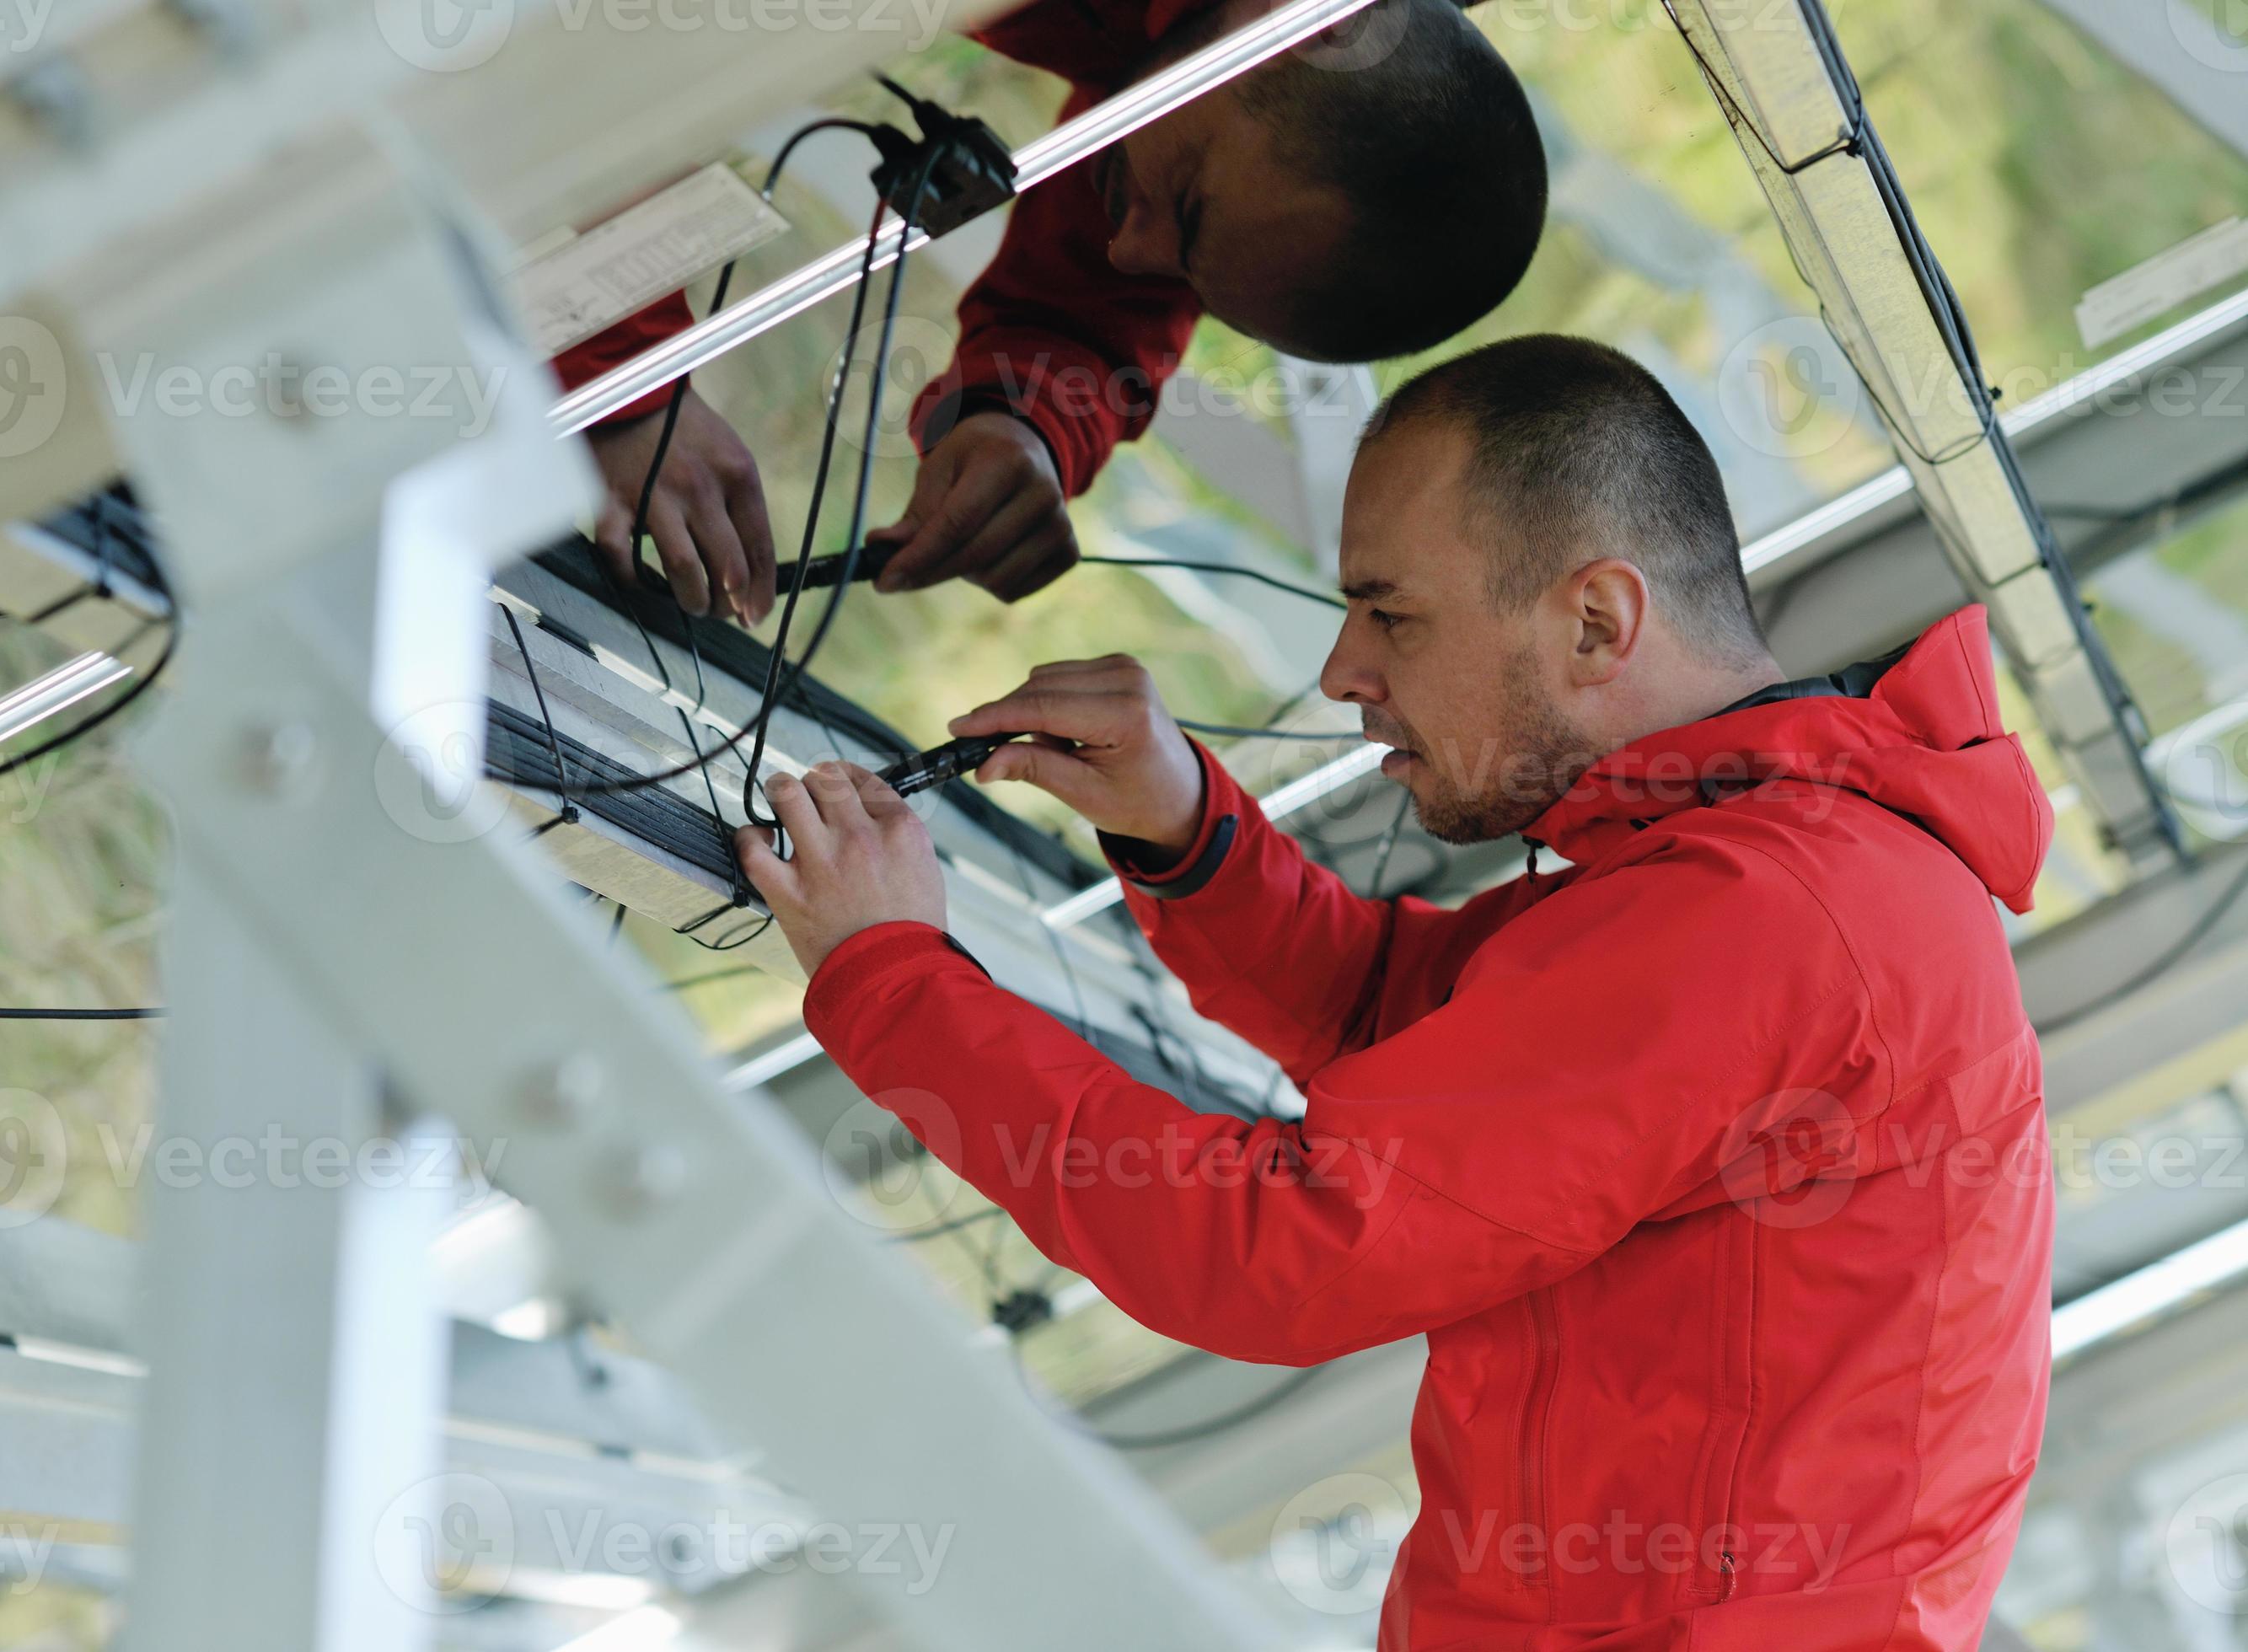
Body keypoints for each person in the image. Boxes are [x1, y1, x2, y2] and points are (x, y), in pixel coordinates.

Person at [731, 335, 2053, 1649]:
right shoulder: (1762, 864)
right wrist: (1185, 830)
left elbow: (1274, 1250)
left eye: (1391, 614)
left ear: (1597, 620)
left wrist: (892, 978)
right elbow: (1415, 1020)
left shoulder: (1771, 914)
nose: (1342, 674)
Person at [561, 0, 1547, 621]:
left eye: (1189, 274)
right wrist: (626, 369)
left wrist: (1021, 422)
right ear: (1314, 24)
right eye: (1191, 208)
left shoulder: (1258, 68)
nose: (1129, 248)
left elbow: (1104, 301)